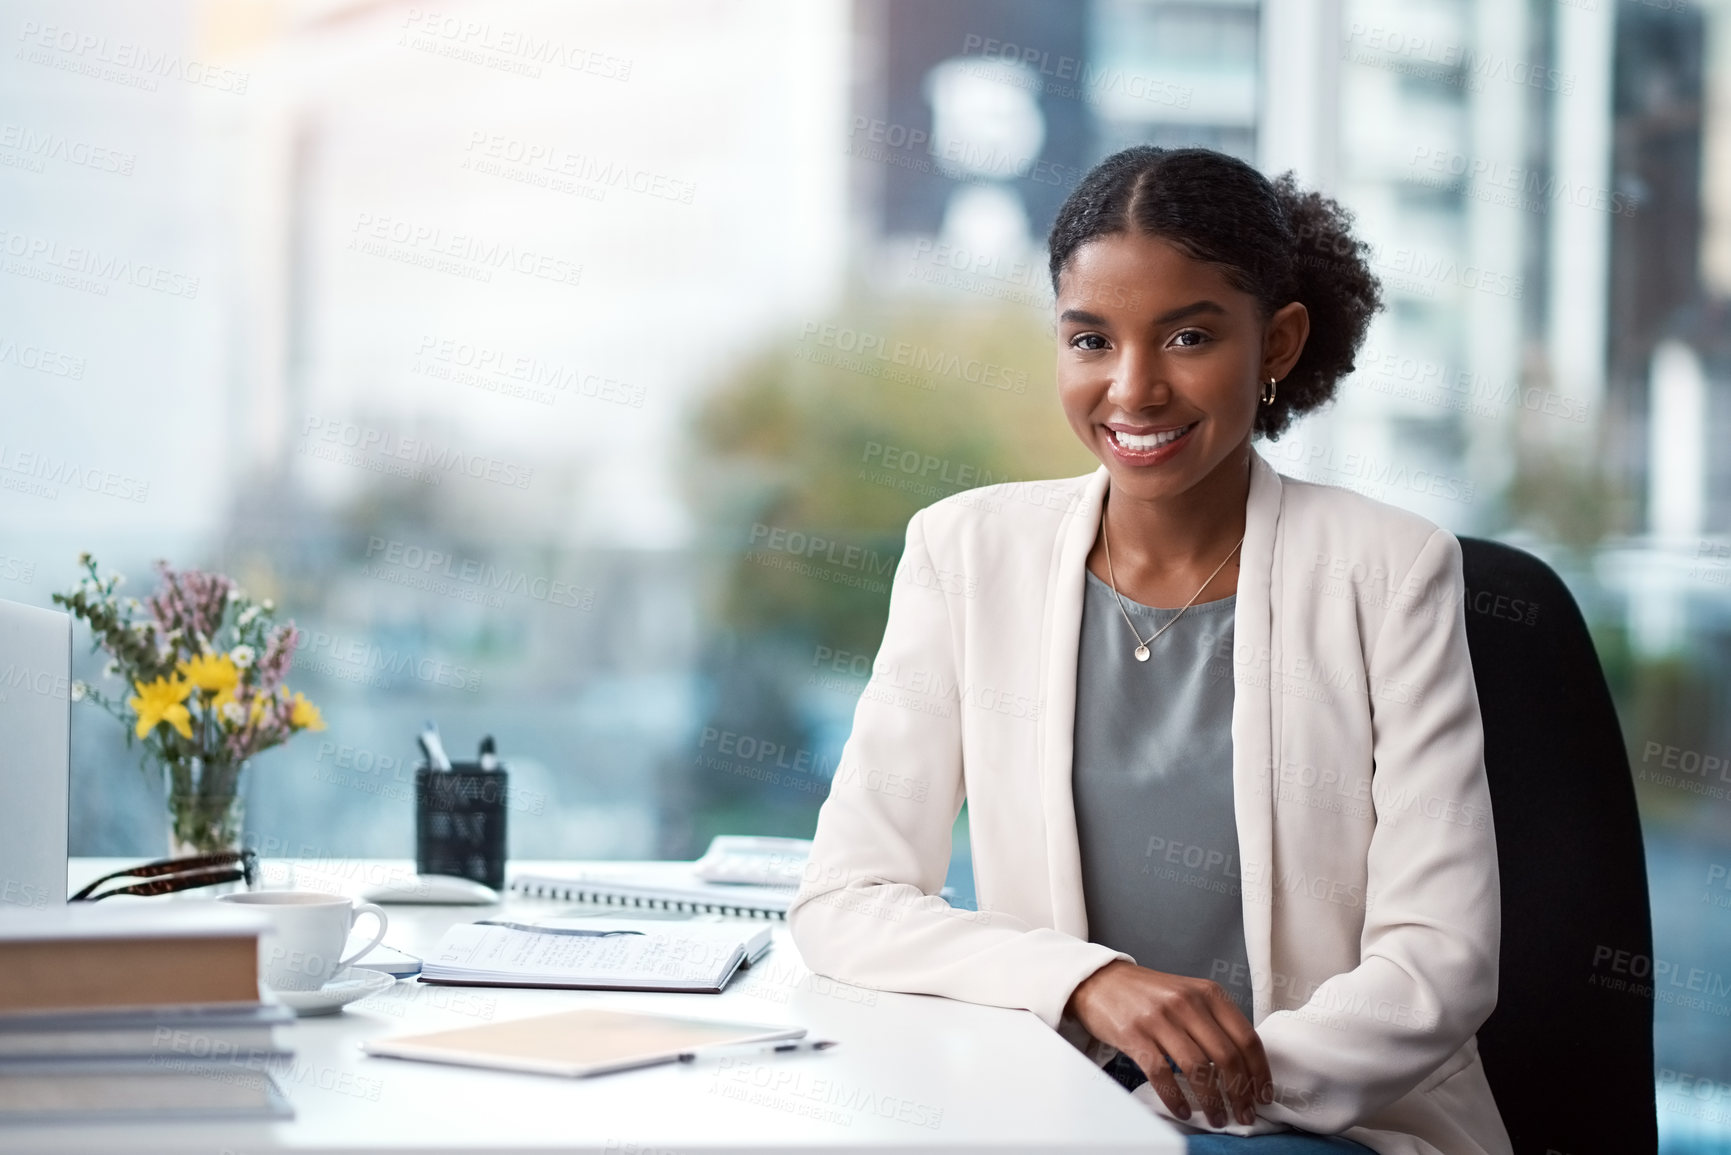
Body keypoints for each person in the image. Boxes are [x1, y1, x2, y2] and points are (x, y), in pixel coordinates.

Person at [787, 146, 1511, 1155]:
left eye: (1188, 337)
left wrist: (1190, 1092)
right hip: (1065, 1121)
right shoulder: (965, 552)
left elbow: (1442, 965)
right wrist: (1083, 982)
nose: (1133, 390)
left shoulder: (1389, 571)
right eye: (1091, 339)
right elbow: (846, 901)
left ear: (1278, 343)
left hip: (1330, 1129)